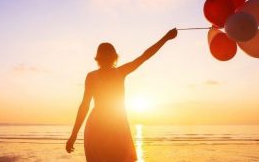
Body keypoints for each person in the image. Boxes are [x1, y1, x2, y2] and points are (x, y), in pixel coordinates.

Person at [66, 28, 178, 162]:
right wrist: (165, 38)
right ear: (114, 56)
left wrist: (74, 135)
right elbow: (144, 56)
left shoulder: (93, 76)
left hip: (100, 125)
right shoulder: (118, 72)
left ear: (98, 57)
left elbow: (84, 106)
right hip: (114, 124)